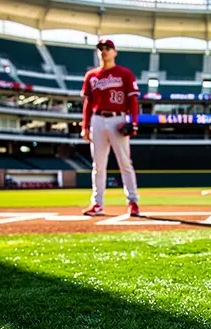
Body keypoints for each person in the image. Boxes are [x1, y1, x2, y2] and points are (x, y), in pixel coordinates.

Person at [80, 38, 141, 217]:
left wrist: (134, 121)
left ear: (115, 52)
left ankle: (133, 202)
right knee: (98, 166)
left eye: (107, 48)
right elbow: (88, 103)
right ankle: (97, 204)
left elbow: (133, 100)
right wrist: (85, 125)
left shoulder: (125, 74)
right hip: (98, 120)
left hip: (117, 120)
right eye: (100, 48)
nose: (104, 51)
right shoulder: (91, 76)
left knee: (125, 163)